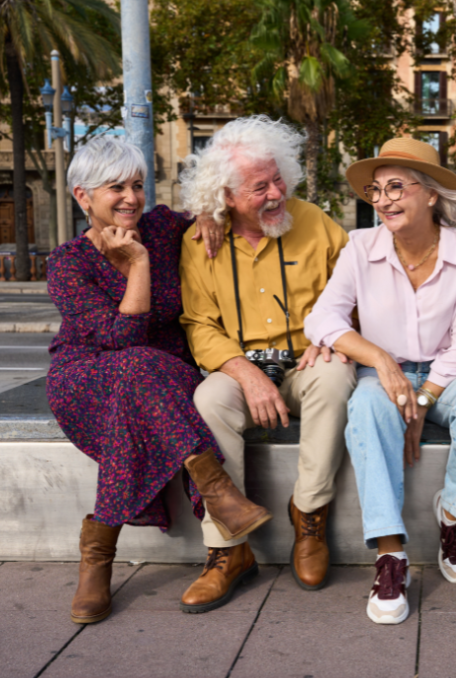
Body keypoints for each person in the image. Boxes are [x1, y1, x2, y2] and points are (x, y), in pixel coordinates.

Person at [46, 136, 270, 625]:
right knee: (134, 369)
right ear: (83, 196)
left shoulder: (164, 226)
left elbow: (217, 214)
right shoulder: (68, 262)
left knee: (141, 377)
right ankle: (215, 488)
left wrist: (208, 214)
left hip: (165, 376)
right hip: (86, 377)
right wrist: (140, 265)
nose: (131, 197)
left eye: (138, 185)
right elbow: (120, 337)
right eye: (116, 188)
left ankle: (97, 557)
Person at [305, 138, 456, 625]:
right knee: (369, 407)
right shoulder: (360, 247)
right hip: (383, 373)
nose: (384, 199)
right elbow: (322, 319)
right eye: (377, 190)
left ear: (432, 194)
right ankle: (391, 554)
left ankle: (455, 515)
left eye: (397, 187)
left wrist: (421, 399)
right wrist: (378, 358)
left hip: (448, 373)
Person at [179, 115, 355, 609]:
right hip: (240, 369)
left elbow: (355, 294)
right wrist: (246, 373)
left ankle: (309, 516)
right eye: (260, 187)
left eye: (279, 178)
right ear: (227, 196)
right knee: (208, 399)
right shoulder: (201, 241)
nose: (277, 192)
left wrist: (337, 335)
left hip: (306, 363)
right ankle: (228, 551)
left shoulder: (315, 222)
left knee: (335, 377)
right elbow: (198, 323)